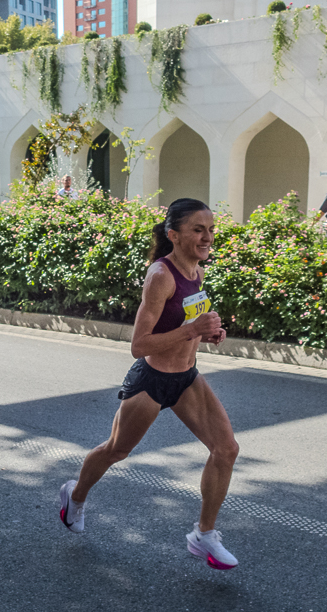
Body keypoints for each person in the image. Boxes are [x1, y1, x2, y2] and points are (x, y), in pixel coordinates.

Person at [58, 197, 241, 569]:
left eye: (210, 229)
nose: (207, 237)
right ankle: (74, 497)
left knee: (226, 449)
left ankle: (203, 535)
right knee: (116, 451)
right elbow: (139, 345)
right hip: (151, 381)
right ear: (173, 235)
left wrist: (206, 335)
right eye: (197, 229)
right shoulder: (161, 275)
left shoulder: (196, 272)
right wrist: (192, 328)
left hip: (186, 378)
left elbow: (179, 328)